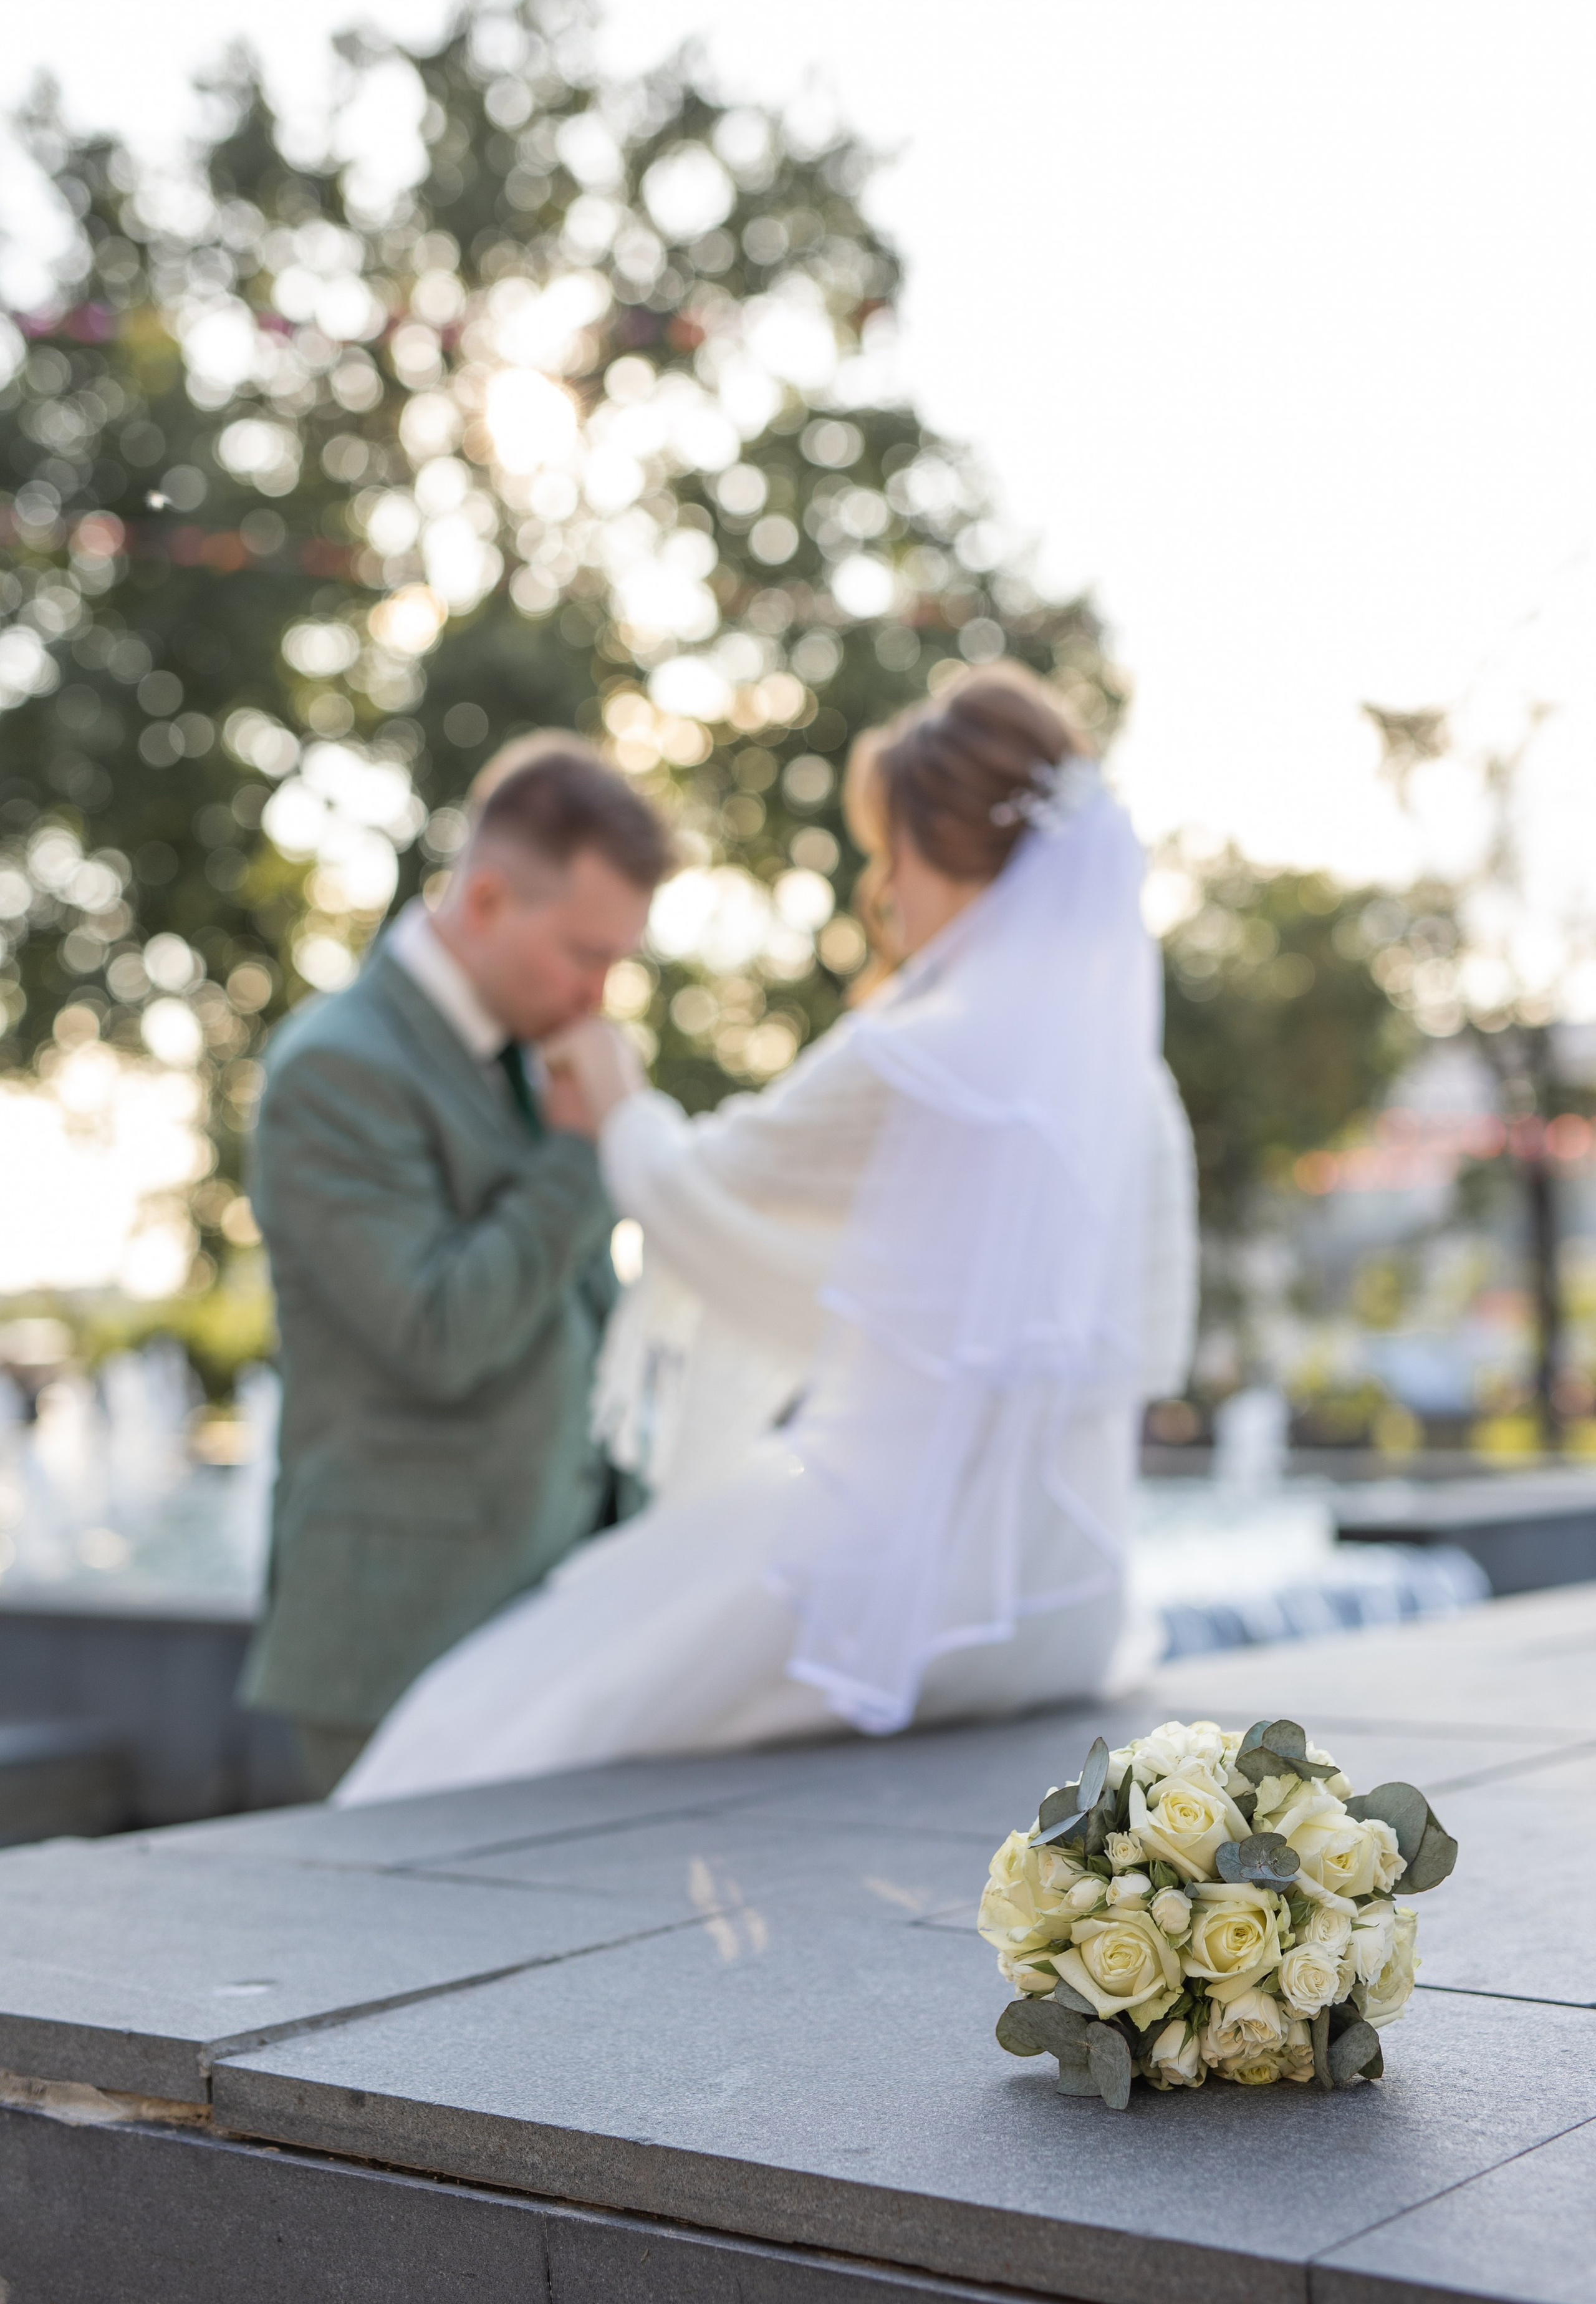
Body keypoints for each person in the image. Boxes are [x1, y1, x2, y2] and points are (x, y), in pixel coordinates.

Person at [335, 668, 1198, 1806]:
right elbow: (1145, 1344)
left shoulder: (912, 1051)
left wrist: (618, 1096)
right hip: (1063, 1601)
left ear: (938, 856)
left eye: (889, 853)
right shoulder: (1134, 1092)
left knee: (495, 1710)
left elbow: (711, 1190)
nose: (884, 889)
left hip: (897, 1586)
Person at [238, 736, 675, 1796]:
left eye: (618, 960)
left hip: (546, 1625)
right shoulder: (337, 1067)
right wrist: (580, 1157)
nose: (599, 992)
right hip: (400, 1643)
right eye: (584, 952)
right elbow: (435, 1334)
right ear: (486, 899)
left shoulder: (534, 1053)